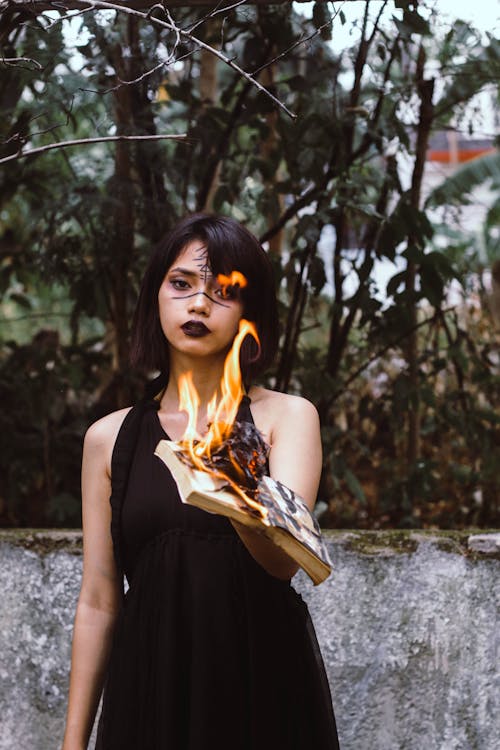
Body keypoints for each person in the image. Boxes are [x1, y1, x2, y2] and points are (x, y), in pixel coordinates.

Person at [61, 213, 340, 750]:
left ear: (247, 315)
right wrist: (72, 744)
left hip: (261, 680)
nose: (198, 305)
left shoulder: (287, 417)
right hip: (152, 683)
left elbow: (283, 564)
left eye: (222, 292)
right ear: (155, 298)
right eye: (181, 284)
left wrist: (226, 483)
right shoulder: (108, 438)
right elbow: (98, 601)